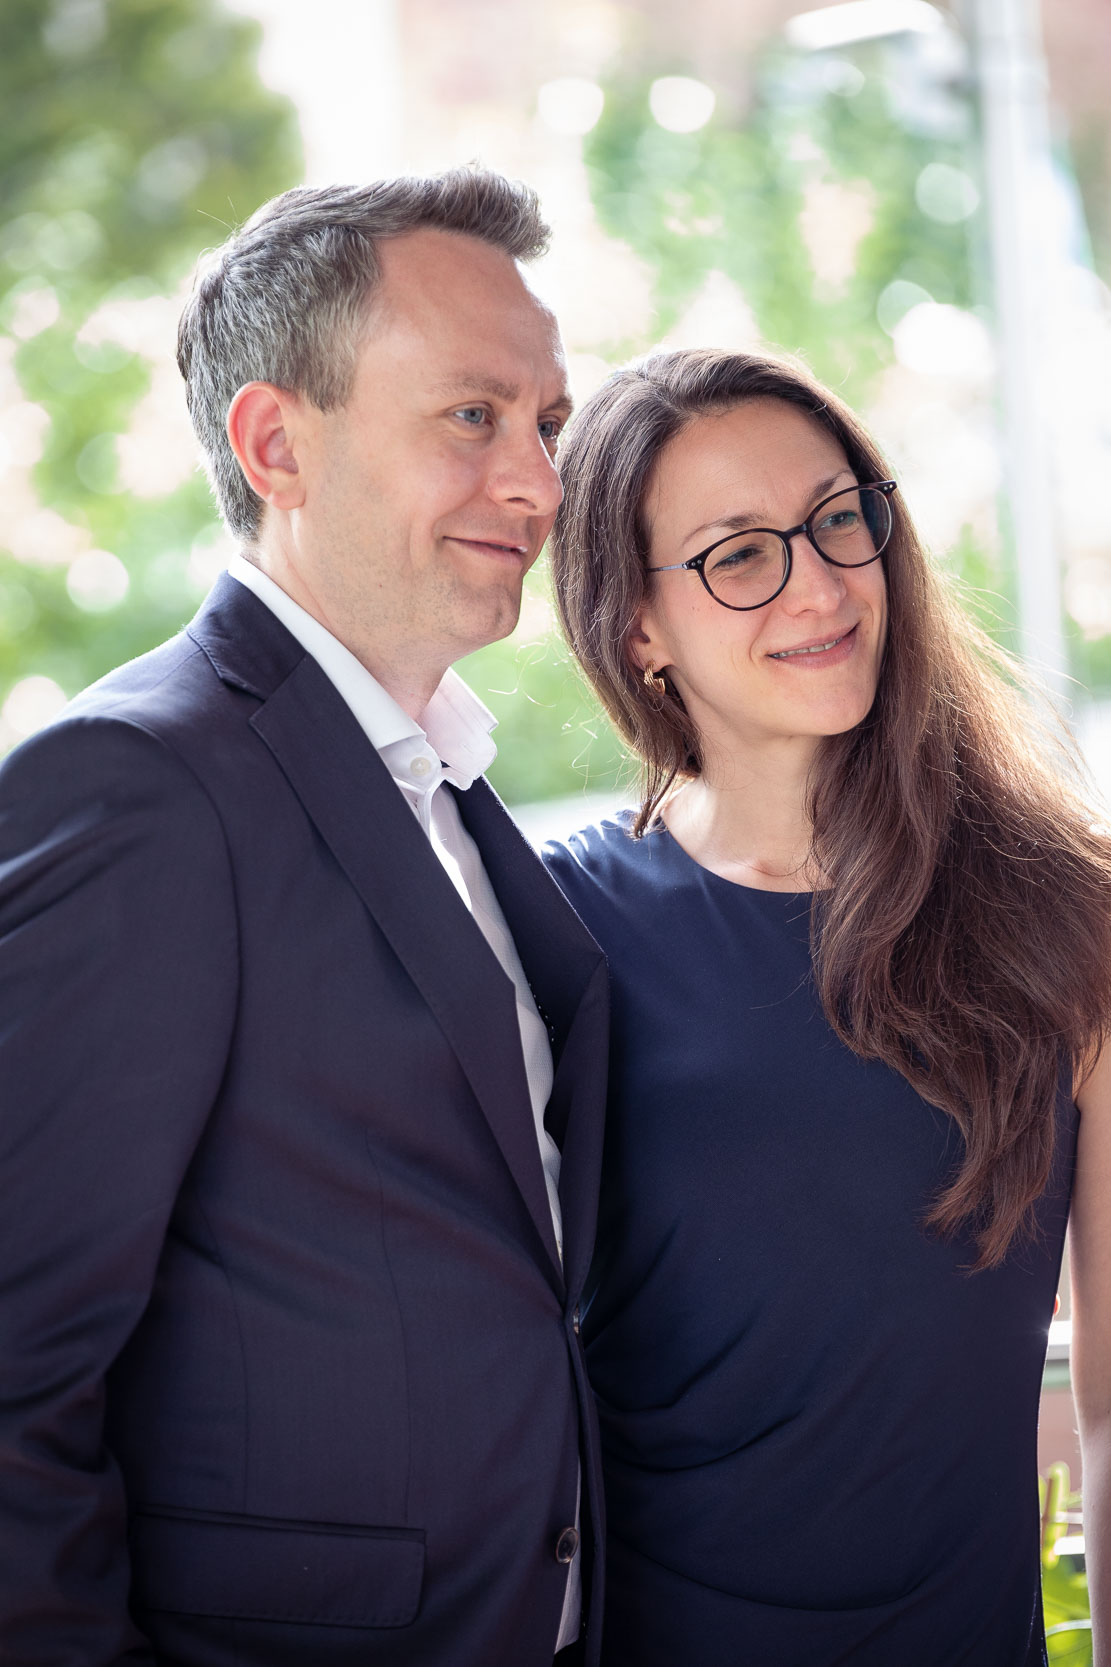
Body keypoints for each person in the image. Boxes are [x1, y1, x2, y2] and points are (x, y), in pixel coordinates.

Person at [0, 169, 608, 1667]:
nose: (538, 483)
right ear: (276, 443)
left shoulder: (449, 786)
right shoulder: (138, 785)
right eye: (472, 416)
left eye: (546, 423)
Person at [543, 346, 1111, 1666]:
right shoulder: (552, 931)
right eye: (740, 554)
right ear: (636, 628)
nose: (819, 582)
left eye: (838, 518)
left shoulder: (1069, 918)